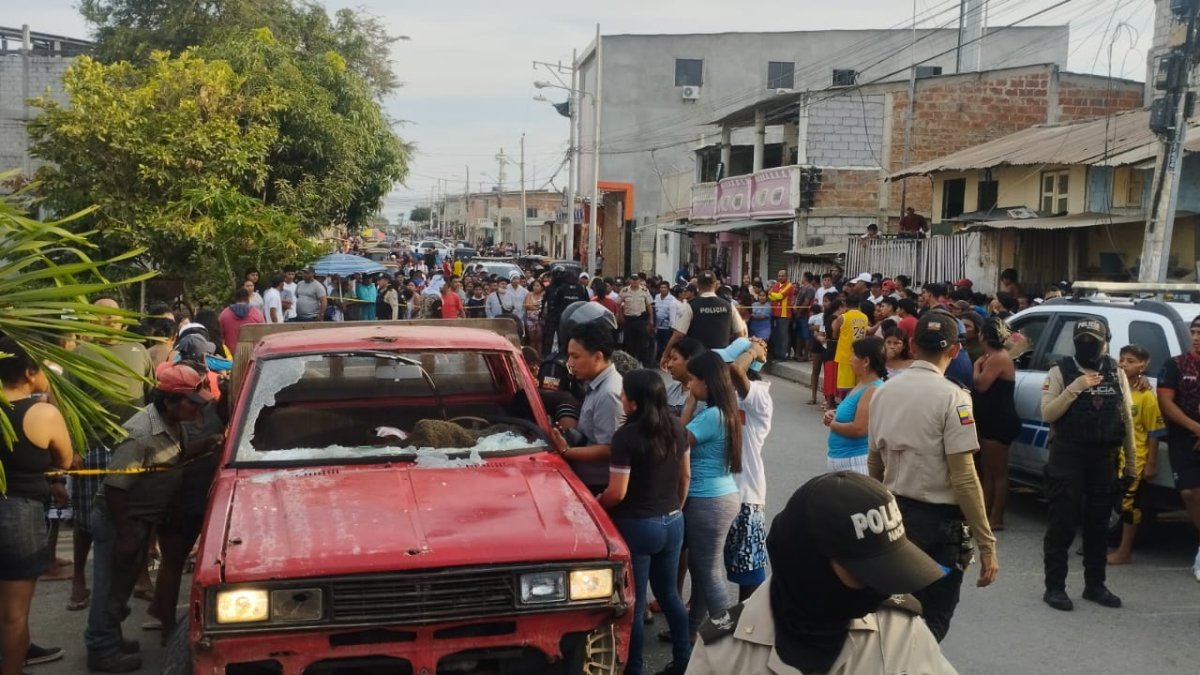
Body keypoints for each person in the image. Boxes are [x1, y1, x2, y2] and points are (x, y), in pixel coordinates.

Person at [685, 472, 955, 675]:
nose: (880, 590)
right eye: (864, 573)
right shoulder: (723, 652)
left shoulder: (901, 629)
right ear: (810, 567)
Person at [867, 310, 998, 641]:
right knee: (931, 622)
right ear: (955, 350)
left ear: (912, 344)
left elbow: (874, 463)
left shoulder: (883, 391)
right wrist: (987, 543)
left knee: (892, 616)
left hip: (895, 517)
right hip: (941, 527)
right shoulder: (954, 397)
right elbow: (965, 477)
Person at [85, 363, 216, 672]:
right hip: (122, 519)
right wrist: (127, 534)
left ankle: (110, 638)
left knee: (122, 585)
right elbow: (116, 486)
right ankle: (101, 649)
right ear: (170, 401)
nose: (197, 410)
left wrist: (207, 445)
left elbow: (177, 454)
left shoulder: (172, 423)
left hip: (140, 519)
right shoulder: (140, 433)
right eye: (192, 403)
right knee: (109, 586)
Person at [597, 370, 691, 675]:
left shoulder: (626, 437)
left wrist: (596, 504)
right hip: (673, 521)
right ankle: (684, 660)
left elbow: (617, 492)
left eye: (624, 395)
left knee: (634, 604)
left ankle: (634, 668)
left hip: (638, 525)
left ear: (634, 402)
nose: (622, 399)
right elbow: (685, 476)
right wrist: (675, 508)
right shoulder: (677, 427)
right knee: (670, 597)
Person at [1039, 317, 1136, 612]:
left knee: (1097, 525)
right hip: (1068, 456)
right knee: (1062, 523)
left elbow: (1127, 420)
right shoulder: (1060, 371)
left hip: (1104, 458)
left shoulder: (1116, 373)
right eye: (1082, 340)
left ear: (1106, 341)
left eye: (1094, 340)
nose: (1088, 345)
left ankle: (1095, 585)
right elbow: (1048, 413)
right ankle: (1054, 587)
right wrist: (1077, 387)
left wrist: (1131, 466)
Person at [0, 337, 73, 675]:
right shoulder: (42, 413)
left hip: (18, 511)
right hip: (19, 514)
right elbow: (66, 459)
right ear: (30, 372)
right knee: (14, 616)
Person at [681, 351, 743, 641]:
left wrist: (690, 403)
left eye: (692, 380)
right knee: (702, 567)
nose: (689, 385)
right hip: (721, 495)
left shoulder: (710, 416)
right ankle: (694, 630)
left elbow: (676, 441)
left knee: (708, 572)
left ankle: (729, 639)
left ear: (707, 381)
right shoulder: (723, 411)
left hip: (707, 500)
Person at [714, 338, 772, 602]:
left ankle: (747, 619)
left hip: (746, 493)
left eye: (729, 361)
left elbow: (737, 370)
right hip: (717, 489)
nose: (725, 366)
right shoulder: (724, 394)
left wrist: (754, 351)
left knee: (747, 567)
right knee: (709, 561)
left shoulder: (759, 394)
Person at [1109, 344, 1166, 565]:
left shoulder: (1146, 396)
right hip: (1113, 456)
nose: (1124, 364)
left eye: (1131, 361)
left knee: (1129, 505)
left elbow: (1154, 432)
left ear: (1143, 365)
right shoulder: (1115, 388)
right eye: (1122, 360)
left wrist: (1151, 463)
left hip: (1134, 460)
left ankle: (1125, 550)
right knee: (1106, 500)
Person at [1154, 316, 1200, 582]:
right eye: (1193, 332)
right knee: (1191, 493)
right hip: (1183, 438)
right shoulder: (1175, 365)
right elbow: (1166, 402)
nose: (1196, 337)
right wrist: (1195, 428)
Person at [560, 322, 624, 493]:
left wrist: (565, 451)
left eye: (575, 357)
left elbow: (610, 448)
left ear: (597, 357)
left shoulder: (609, 393)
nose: (570, 363)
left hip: (599, 484)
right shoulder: (595, 384)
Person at [972, 317, 1021, 531]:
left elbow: (982, 384)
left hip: (999, 420)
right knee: (987, 469)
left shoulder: (998, 358)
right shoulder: (991, 356)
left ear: (985, 336)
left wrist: (976, 367)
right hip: (990, 419)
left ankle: (997, 517)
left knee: (998, 471)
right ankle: (986, 512)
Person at [825, 337, 887, 474]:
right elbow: (852, 412)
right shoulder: (861, 384)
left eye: (853, 354)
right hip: (841, 459)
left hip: (856, 463)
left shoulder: (873, 389)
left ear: (866, 361)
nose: (850, 359)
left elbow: (859, 429)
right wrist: (835, 413)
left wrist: (833, 424)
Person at [659, 271, 747, 365]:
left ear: (698, 286)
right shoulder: (728, 306)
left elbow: (679, 334)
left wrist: (665, 354)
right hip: (722, 360)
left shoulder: (691, 305)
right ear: (715, 285)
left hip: (698, 359)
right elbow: (740, 334)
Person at [831, 296, 870, 400]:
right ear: (859, 304)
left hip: (845, 355)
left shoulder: (843, 317)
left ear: (846, 305)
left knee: (845, 388)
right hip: (860, 355)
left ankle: (845, 408)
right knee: (858, 387)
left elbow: (834, 334)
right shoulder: (865, 317)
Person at [619, 275, 656, 366]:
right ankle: (630, 365)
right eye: (633, 280)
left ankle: (645, 365)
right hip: (629, 320)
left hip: (640, 319)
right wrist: (621, 317)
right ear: (630, 281)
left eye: (636, 280)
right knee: (629, 343)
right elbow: (618, 304)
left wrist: (651, 319)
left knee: (643, 343)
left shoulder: (644, 290)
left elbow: (649, 305)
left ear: (639, 281)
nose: (635, 282)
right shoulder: (624, 291)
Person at [217, 287, 265, 355]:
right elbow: (263, 336)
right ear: (248, 299)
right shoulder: (257, 313)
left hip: (231, 357)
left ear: (235, 299)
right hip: (252, 358)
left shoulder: (224, 314)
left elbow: (219, 336)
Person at [766, 270, 796, 361]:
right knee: (776, 335)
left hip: (784, 314)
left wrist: (772, 294)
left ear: (786, 276)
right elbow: (770, 297)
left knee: (783, 335)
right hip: (775, 313)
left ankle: (783, 355)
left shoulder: (789, 285)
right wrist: (773, 295)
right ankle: (778, 354)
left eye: (782, 276)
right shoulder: (776, 285)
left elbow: (780, 296)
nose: (780, 277)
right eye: (779, 276)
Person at [653, 281, 679, 362]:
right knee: (657, 344)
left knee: (666, 344)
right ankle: (657, 360)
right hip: (657, 326)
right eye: (661, 287)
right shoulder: (657, 297)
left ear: (668, 289)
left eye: (664, 287)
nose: (662, 289)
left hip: (666, 326)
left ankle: (666, 360)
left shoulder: (672, 299)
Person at [523, 281, 545, 356]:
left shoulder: (544, 295)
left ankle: (539, 356)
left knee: (539, 339)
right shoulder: (529, 294)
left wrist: (533, 306)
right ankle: (532, 355)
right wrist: (536, 307)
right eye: (534, 285)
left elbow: (542, 306)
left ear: (541, 287)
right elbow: (526, 305)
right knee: (532, 339)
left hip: (540, 320)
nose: (535, 287)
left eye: (537, 285)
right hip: (530, 320)